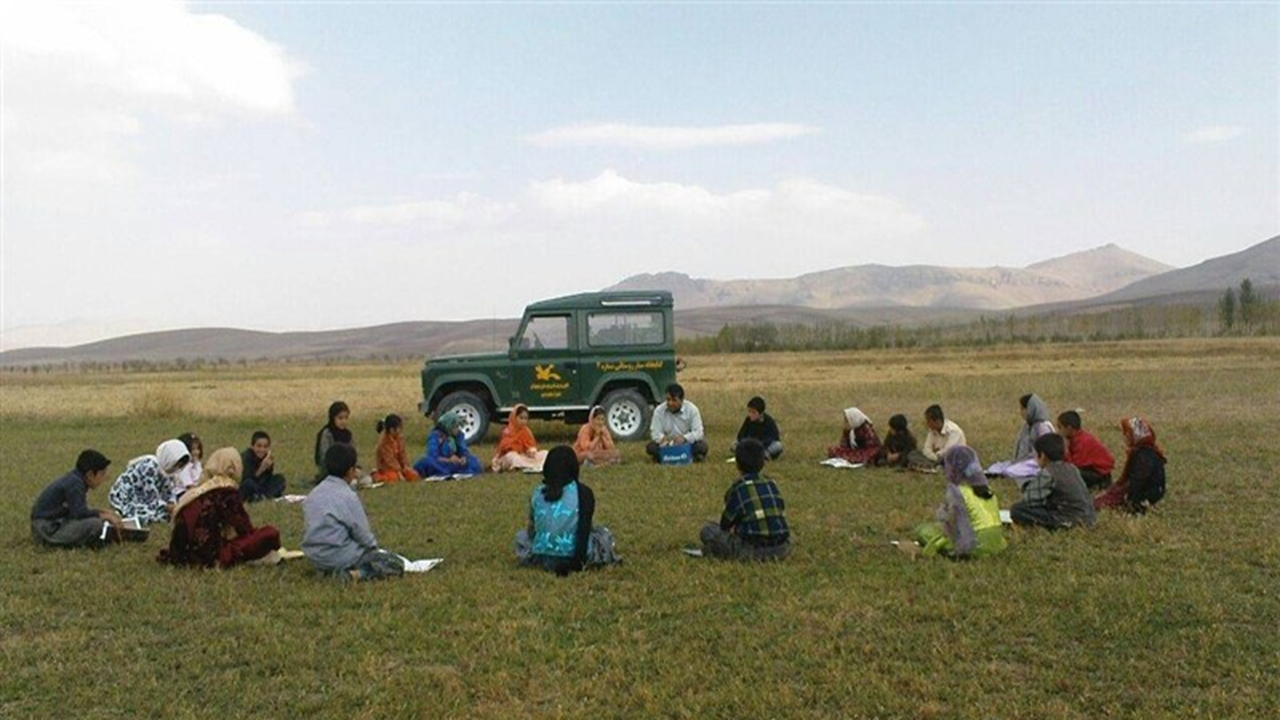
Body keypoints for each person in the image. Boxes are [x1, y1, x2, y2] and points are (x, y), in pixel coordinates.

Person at [158, 447, 281, 568]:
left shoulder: (201, 488)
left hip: (180, 554)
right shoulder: (227, 492)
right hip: (208, 556)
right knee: (270, 533)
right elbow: (244, 528)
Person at [302, 444, 406, 581]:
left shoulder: (313, 494)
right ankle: (354, 575)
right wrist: (374, 549)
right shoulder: (348, 496)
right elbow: (361, 532)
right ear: (351, 470)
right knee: (395, 564)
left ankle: (327, 571)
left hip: (315, 556)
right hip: (340, 555)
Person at [513, 445, 621, 576]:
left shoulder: (538, 493)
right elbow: (584, 530)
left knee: (521, 536)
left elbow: (532, 531)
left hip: (542, 557)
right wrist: (577, 564)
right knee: (603, 534)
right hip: (575, 557)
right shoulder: (583, 492)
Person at [699, 439, 791, 561]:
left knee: (708, 529)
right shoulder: (772, 483)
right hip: (782, 548)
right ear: (763, 462)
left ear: (737, 464)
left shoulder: (739, 487)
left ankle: (718, 551)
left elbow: (725, 524)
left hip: (749, 550)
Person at [912, 446, 1007, 559]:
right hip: (997, 543)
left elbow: (953, 522)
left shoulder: (957, 492)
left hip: (973, 545)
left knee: (923, 530)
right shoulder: (987, 489)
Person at [31, 450, 124, 548]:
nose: (104, 478)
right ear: (90, 475)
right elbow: (79, 514)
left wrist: (102, 511)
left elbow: (78, 510)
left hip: (50, 524)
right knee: (95, 524)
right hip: (47, 529)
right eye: (102, 474)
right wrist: (104, 516)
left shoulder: (75, 480)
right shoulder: (75, 484)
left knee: (95, 521)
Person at [1009, 433, 1097, 530]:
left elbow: (1030, 499)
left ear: (1042, 455)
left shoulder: (1049, 472)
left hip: (1069, 520)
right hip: (1089, 518)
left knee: (1017, 509)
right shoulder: (1072, 468)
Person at [1095, 416, 1167, 514]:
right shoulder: (1140, 451)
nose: (1124, 438)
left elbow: (1139, 481)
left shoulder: (1144, 455)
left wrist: (1129, 500)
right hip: (1147, 489)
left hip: (1148, 492)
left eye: (1127, 435)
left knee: (1102, 503)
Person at [108, 439, 190, 526]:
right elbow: (150, 496)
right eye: (176, 464)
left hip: (146, 500)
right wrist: (166, 507)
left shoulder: (168, 472)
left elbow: (169, 491)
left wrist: (172, 502)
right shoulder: (149, 467)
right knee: (153, 516)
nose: (176, 468)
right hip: (126, 498)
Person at [986, 394, 1056, 484]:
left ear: (1030, 409)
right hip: (1026, 460)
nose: (1021, 412)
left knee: (1011, 471)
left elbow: (1045, 451)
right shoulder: (1027, 425)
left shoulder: (1043, 427)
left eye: (1023, 409)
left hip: (1039, 462)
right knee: (995, 467)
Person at [646, 383, 709, 463]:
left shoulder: (692, 410)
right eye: (668, 399)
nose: (670, 403)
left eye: (674, 400)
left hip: (686, 444)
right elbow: (654, 432)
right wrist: (662, 439)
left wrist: (684, 438)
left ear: (682, 400)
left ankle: (665, 457)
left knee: (701, 446)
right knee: (651, 447)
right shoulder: (659, 411)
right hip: (666, 444)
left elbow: (699, 432)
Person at [413, 410, 483, 478]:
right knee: (427, 461)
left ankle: (452, 471)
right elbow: (432, 456)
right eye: (455, 427)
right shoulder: (435, 436)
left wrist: (463, 458)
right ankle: (445, 472)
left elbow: (463, 451)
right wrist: (449, 460)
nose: (458, 429)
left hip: (455, 463)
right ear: (448, 426)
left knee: (473, 460)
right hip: (440, 462)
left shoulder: (458, 435)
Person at [1058, 410, 1115, 490]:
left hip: (1100, 474)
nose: (1059, 431)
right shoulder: (1077, 438)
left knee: (1069, 473)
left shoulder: (1082, 441)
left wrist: (1064, 454)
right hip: (1095, 471)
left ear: (1069, 428)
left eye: (1060, 427)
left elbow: (1075, 465)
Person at [492, 404, 549, 472]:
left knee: (545, 453)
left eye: (525, 419)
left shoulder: (526, 431)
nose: (523, 421)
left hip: (525, 456)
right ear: (514, 417)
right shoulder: (507, 432)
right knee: (512, 457)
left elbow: (531, 445)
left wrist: (531, 451)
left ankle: (531, 465)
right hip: (511, 456)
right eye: (521, 418)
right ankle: (530, 466)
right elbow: (504, 448)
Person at [908, 405, 967, 470]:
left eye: (929, 421)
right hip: (936, 458)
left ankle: (930, 466)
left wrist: (936, 453)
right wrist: (934, 456)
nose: (927, 424)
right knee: (913, 454)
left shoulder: (954, 431)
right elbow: (927, 448)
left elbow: (947, 451)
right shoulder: (932, 430)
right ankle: (933, 466)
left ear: (937, 421)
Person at [730, 396, 783, 460]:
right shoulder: (748, 420)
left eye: (753, 412)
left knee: (778, 446)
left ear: (761, 413)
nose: (750, 414)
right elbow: (741, 435)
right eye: (749, 411)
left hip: (763, 447)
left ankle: (762, 455)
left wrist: (758, 444)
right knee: (734, 445)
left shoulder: (769, 422)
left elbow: (773, 438)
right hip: (750, 446)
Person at [372, 414, 421, 482]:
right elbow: (389, 460)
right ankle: (376, 475)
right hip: (387, 468)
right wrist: (398, 472)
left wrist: (405, 466)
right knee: (394, 478)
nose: (400, 430)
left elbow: (403, 454)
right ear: (392, 429)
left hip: (400, 467)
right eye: (398, 428)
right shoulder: (384, 442)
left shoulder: (399, 438)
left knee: (413, 475)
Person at [240, 430, 287, 502]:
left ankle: (262, 496)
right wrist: (261, 468)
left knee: (280, 479)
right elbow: (245, 479)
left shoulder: (267, 458)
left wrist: (269, 468)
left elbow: (267, 479)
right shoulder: (246, 458)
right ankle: (263, 496)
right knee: (248, 483)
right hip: (248, 485)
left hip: (261, 486)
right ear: (252, 446)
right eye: (259, 446)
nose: (262, 449)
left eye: (265, 447)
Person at [314, 401, 354, 482]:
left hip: (347, 472)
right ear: (332, 418)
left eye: (346, 418)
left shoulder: (348, 434)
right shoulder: (327, 434)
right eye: (340, 418)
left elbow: (353, 453)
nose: (343, 421)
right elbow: (324, 457)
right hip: (330, 472)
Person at [173, 432, 204, 499]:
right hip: (183, 494)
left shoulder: (197, 464)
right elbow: (189, 486)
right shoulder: (183, 467)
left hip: (196, 490)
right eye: (193, 450)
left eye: (197, 449)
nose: (196, 452)